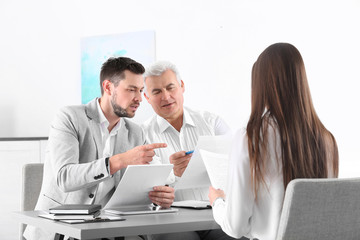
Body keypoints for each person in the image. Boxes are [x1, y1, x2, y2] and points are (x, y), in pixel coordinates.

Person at [24, 57, 174, 240]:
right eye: (131, 89)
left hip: (107, 229)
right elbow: (65, 177)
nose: (138, 98)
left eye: (141, 90)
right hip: (60, 229)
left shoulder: (136, 132)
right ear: (108, 87)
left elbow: (136, 189)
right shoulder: (69, 117)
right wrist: (120, 160)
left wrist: (159, 195)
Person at [208, 43, 339, 240]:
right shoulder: (326, 139)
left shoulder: (250, 137)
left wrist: (217, 201)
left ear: (261, 85)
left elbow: (235, 227)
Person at [142, 61, 244, 240]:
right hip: (169, 221)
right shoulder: (142, 135)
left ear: (182, 86)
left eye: (170, 87)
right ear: (147, 97)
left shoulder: (212, 122)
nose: (166, 97)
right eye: (156, 92)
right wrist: (172, 174)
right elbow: (141, 191)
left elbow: (239, 165)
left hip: (216, 215)